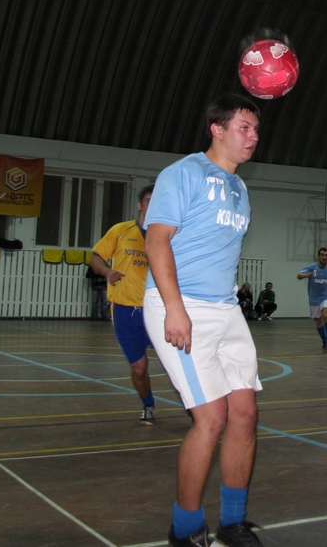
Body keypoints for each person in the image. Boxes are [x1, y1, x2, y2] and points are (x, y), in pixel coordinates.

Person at [142, 94, 264, 547]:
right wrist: (175, 308)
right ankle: (186, 530)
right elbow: (157, 241)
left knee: (245, 414)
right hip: (180, 304)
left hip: (225, 307)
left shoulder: (240, 189)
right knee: (211, 418)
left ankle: (233, 523)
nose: (253, 136)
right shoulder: (183, 173)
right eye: (244, 127)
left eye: (256, 129)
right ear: (217, 128)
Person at [90, 184, 158, 425]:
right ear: (139, 205)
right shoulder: (121, 230)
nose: (152, 204)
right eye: (148, 200)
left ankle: (194, 407)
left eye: (157, 200)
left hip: (158, 310)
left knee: (177, 365)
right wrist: (107, 272)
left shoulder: (169, 235)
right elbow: (96, 257)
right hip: (125, 310)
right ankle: (148, 404)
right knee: (139, 368)